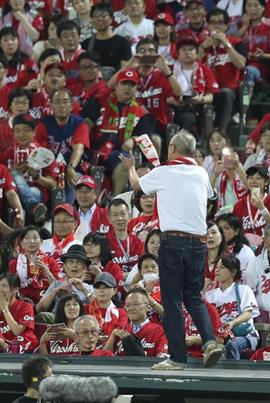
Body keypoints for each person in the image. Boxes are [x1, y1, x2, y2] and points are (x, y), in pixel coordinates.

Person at [123, 130, 224, 370]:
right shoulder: (200, 172)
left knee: (172, 300)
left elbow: (137, 186)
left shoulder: (164, 172)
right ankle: (210, 341)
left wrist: (131, 166)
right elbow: (210, 194)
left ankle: (178, 358)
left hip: (173, 241)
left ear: (172, 148)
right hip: (199, 242)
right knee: (193, 296)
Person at [205, 255, 259, 359]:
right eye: (216, 267)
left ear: (233, 272)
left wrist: (233, 323)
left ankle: (233, 373)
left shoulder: (244, 289)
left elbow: (248, 313)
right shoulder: (210, 294)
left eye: (222, 267)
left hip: (243, 334)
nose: (217, 270)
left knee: (232, 344)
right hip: (219, 334)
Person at [104, 287, 168, 357]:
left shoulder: (159, 332)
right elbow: (103, 360)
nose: (131, 308)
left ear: (148, 307)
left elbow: (162, 361)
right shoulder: (120, 331)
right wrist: (112, 336)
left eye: (136, 304)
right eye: (128, 305)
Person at [0, 273, 38, 354]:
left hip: (25, 348)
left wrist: (5, 310)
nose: (0, 289)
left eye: (4, 286)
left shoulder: (26, 307)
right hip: (3, 348)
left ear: (16, 289)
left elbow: (17, 331)